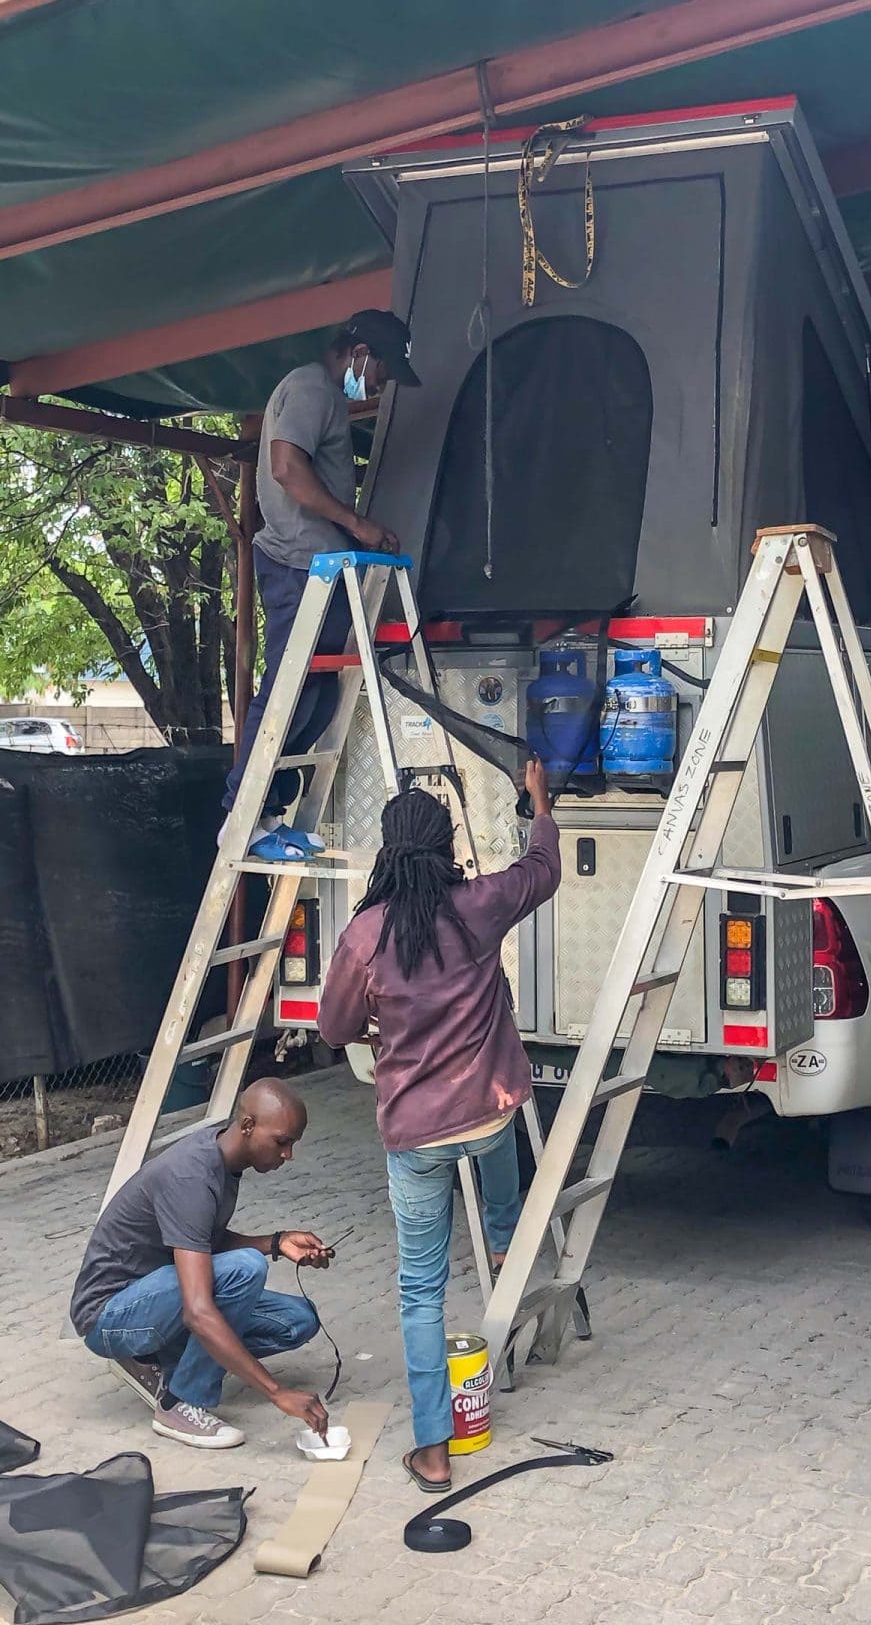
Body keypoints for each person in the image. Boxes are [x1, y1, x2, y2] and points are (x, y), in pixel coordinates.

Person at [318, 759, 560, 1493]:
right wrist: (540, 804)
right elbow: (542, 869)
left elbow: (332, 1030)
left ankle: (432, 1448)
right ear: (448, 844)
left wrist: (375, 1026)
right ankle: (503, 1235)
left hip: (416, 1135)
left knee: (420, 1291)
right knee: (501, 1174)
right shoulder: (479, 905)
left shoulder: (365, 934)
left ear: (388, 852)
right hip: (490, 1112)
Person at [220, 308, 420, 862]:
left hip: (322, 566)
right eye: (381, 370)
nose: (378, 383)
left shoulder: (325, 396)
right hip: (300, 566)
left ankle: (268, 815)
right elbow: (287, 467)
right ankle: (242, 813)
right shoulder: (311, 388)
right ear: (360, 353)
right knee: (287, 689)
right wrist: (356, 526)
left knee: (316, 695)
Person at [71, 1078, 334, 1451]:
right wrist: (276, 1392)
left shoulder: (222, 1156)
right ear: (247, 1126)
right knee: (244, 1269)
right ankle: (179, 1402)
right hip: (109, 1316)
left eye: (292, 1144)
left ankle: (156, 1357)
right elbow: (197, 1310)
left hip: (161, 1295)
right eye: (282, 1142)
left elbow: (200, 1240)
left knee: (299, 1319)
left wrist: (276, 1243)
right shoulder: (191, 1175)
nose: (288, 1154)